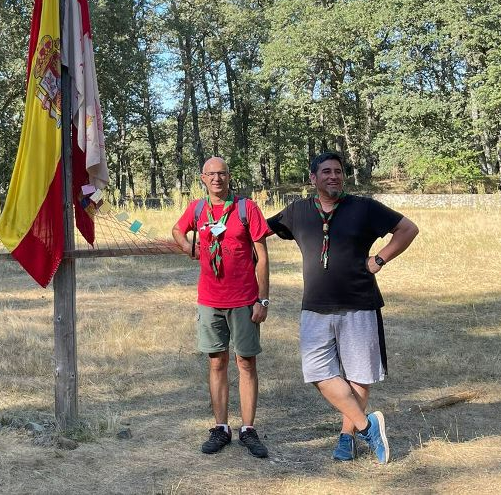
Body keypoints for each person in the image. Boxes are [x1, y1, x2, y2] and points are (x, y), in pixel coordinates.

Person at [266, 152, 419, 464]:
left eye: (337, 171)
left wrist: (379, 259)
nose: (333, 176)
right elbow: (257, 232)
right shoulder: (297, 211)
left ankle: (347, 437)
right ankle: (367, 426)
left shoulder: (364, 207)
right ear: (313, 179)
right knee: (318, 373)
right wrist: (211, 236)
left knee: (359, 374)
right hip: (315, 306)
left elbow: (408, 229)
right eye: (326, 172)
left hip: (359, 304)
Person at [171, 156, 272, 459]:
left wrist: (263, 299)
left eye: (222, 174)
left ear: (229, 177)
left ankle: (249, 429)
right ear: (202, 178)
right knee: (216, 362)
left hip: (244, 299)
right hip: (210, 300)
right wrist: (188, 246)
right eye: (211, 174)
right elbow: (177, 230)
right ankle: (221, 428)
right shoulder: (198, 209)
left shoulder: (246, 208)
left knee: (246, 363)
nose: (217, 179)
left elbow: (263, 257)